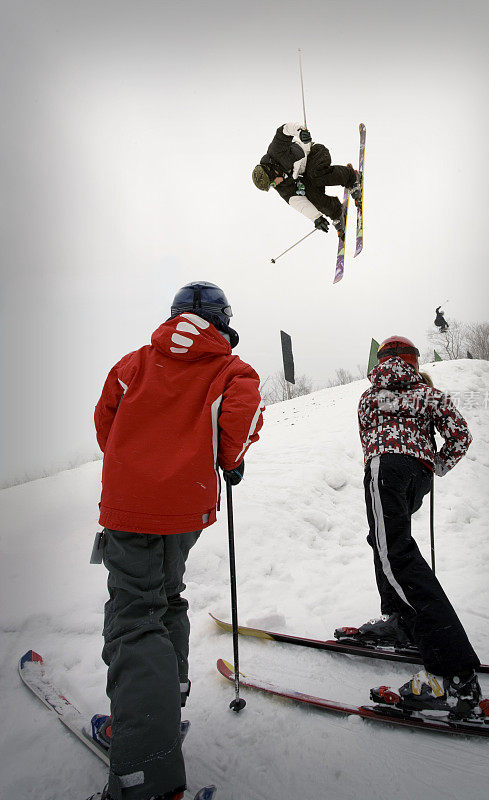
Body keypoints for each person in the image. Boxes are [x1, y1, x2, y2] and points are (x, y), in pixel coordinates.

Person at [90, 282, 263, 800]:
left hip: (129, 509)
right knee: (165, 599)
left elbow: (106, 425)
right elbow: (241, 424)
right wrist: (230, 464)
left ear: (175, 317)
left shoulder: (133, 365)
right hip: (185, 509)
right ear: (222, 320)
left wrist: (136, 464)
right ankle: (161, 714)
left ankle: (146, 769)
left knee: (134, 617)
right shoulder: (232, 370)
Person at [335, 336, 482, 715]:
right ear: (415, 362)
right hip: (416, 474)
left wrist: (387, 464)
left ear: (381, 361)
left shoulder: (370, 397)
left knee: (395, 555)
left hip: (385, 468)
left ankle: (452, 671)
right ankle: (402, 621)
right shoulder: (431, 395)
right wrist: (433, 462)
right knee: (384, 543)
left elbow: (370, 439)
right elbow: (460, 437)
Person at [252, 122, 361, 236]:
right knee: (310, 195)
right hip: (307, 176)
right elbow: (298, 202)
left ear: (272, 173)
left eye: (272, 184)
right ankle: (337, 212)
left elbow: (283, 130)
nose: (275, 186)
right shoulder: (282, 187)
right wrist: (316, 218)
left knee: (315, 175)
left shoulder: (275, 152)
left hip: (315, 154)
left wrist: (300, 132)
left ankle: (352, 177)